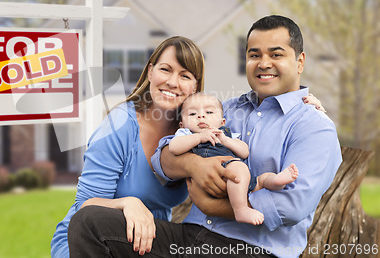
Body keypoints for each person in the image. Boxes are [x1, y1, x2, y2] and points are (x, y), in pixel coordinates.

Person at [67, 15, 342, 258]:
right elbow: (162, 157)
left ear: (300, 61)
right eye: (255, 54)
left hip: (250, 250)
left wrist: (212, 204)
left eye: (276, 54)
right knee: (91, 223)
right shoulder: (224, 110)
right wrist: (193, 165)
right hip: (188, 240)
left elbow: (291, 206)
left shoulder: (314, 126)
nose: (263, 63)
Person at [51, 36, 220, 257]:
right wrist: (127, 203)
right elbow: (85, 205)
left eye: (185, 76)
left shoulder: (192, 131)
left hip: (147, 242)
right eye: (166, 69)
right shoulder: (119, 125)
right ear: (150, 72)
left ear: (195, 86)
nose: (172, 82)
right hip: (90, 241)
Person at [166, 92, 298, 225]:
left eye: (209, 112)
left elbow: (244, 152)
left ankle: (276, 181)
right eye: (192, 114)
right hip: (218, 176)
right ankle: (240, 209)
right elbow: (174, 147)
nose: (201, 116)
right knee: (238, 167)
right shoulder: (186, 134)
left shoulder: (224, 134)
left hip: (240, 180)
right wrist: (199, 137)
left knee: (261, 179)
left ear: (222, 122)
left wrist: (226, 140)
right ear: (182, 124)